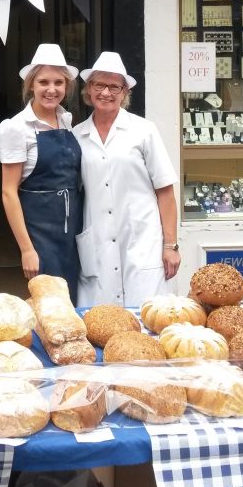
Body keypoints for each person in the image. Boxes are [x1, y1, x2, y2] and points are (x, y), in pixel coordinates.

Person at [73, 51, 180, 308]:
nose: (106, 93)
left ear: (124, 93)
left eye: (114, 87)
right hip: (97, 243)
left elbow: (165, 191)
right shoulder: (77, 135)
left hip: (142, 242)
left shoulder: (144, 130)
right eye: (99, 85)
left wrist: (171, 245)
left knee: (149, 321)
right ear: (89, 89)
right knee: (100, 324)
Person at [0, 43, 82, 302]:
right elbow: (8, 193)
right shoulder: (15, 128)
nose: (51, 89)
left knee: (75, 298)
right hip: (40, 232)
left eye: (59, 82)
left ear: (66, 87)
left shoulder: (67, 120)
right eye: (44, 82)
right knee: (48, 303)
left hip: (73, 228)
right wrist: (27, 250)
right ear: (31, 85)